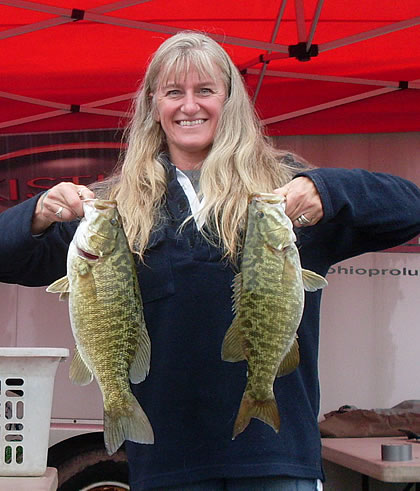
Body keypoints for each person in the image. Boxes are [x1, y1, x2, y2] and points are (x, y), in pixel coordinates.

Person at [0, 31, 419, 491]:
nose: (189, 106)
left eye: (205, 91)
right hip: (165, 462)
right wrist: (37, 214)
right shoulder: (113, 208)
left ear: (229, 100)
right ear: (153, 105)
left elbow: (408, 209)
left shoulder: (284, 192)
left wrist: (331, 191)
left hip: (276, 458)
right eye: (174, 92)